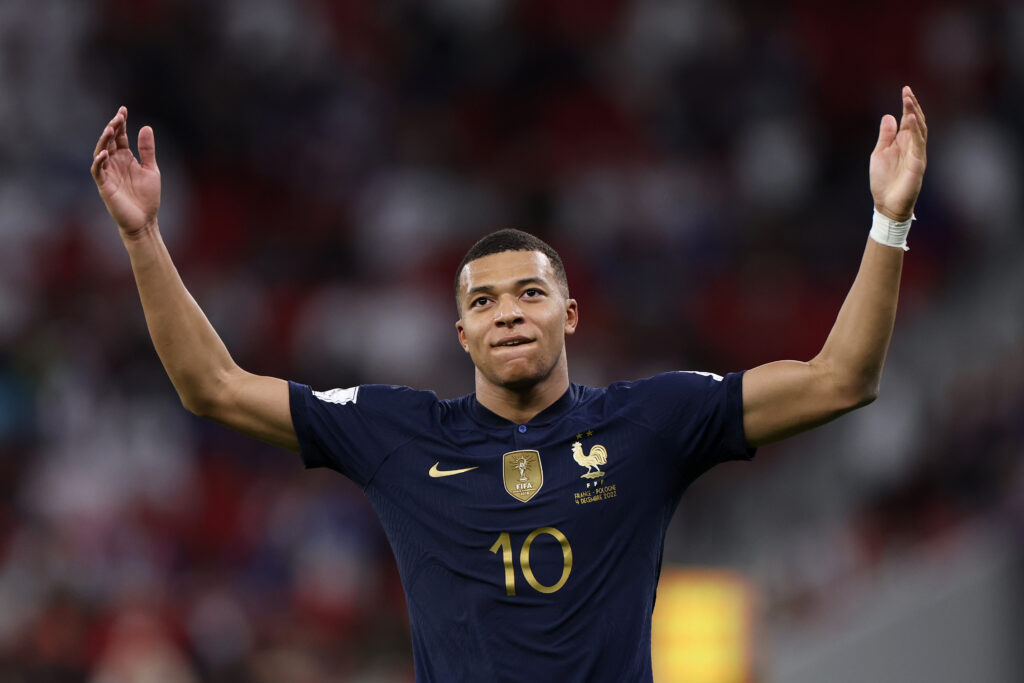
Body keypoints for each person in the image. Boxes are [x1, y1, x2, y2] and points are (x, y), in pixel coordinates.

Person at [91, 86, 927, 682]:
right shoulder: (398, 434)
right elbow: (214, 387)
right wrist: (142, 238)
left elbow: (840, 379)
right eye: (483, 301)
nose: (508, 313)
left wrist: (890, 217)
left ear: (570, 313)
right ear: (461, 335)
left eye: (530, 292)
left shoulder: (652, 421)